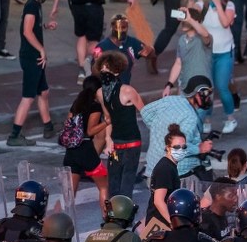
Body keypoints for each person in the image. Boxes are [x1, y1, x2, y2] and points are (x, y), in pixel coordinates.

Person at [50, 0, 134, 84]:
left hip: (76, 5)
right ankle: (91, 66)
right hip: (94, 5)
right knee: (94, 41)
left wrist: (55, 6)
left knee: (81, 36)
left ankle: (82, 71)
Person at [6, 0, 56, 148]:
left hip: (35, 57)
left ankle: (48, 126)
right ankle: (15, 134)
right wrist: (41, 49)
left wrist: (45, 27)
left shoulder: (36, 5)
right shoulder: (31, 6)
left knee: (44, 92)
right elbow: (27, 31)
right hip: (31, 57)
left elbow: (32, 27)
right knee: (28, 97)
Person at [142, 75, 216, 180]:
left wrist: (159, 131)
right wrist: (200, 148)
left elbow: (145, 111)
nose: (208, 98)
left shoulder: (170, 100)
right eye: (207, 94)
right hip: (177, 174)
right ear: (198, 94)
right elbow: (181, 148)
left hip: (152, 169)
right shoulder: (190, 117)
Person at [189, 0, 239, 133]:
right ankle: (207, 120)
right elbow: (189, 15)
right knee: (206, 88)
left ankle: (231, 118)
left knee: (222, 86)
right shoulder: (202, 4)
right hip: (207, 53)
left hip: (225, 52)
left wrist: (218, 4)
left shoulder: (228, 5)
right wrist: (191, 0)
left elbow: (225, 23)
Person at [96, 51, 145, 199]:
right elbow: (108, 118)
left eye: (107, 69)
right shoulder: (100, 93)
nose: (104, 73)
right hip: (116, 144)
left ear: (116, 71)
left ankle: (124, 215)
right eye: (102, 70)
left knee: (127, 183)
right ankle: (115, 215)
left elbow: (145, 112)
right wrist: (108, 140)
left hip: (132, 142)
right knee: (113, 183)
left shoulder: (128, 91)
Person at [62, 76, 110, 206]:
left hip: (71, 151)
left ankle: (66, 221)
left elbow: (68, 124)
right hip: (86, 151)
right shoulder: (95, 107)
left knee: (70, 193)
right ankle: (108, 220)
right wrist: (106, 122)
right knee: (104, 187)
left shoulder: (76, 104)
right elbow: (90, 131)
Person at [162, 7, 212, 102]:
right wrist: (169, 85)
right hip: (184, 87)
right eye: (183, 20)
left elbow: (205, 35)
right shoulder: (181, 40)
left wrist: (190, 19)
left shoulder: (202, 38)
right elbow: (178, 63)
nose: (184, 22)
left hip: (200, 88)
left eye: (187, 20)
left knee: (197, 115)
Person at [93, 14, 154, 85]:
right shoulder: (102, 46)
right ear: (112, 27)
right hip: (107, 88)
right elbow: (94, 72)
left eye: (123, 27)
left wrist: (150, 51)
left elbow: (151, 55)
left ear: (127, 27)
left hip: (124, 87)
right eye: (117, 27)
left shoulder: (132, 42)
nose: (120, 30)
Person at [146, 124, 187, 228]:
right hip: (160, 223)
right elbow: (158, 201)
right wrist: (172, 223)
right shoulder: (165, 169)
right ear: (168, 148)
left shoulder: (170, 166)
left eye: (184, 147)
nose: (181, 150)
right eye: (177, 147)